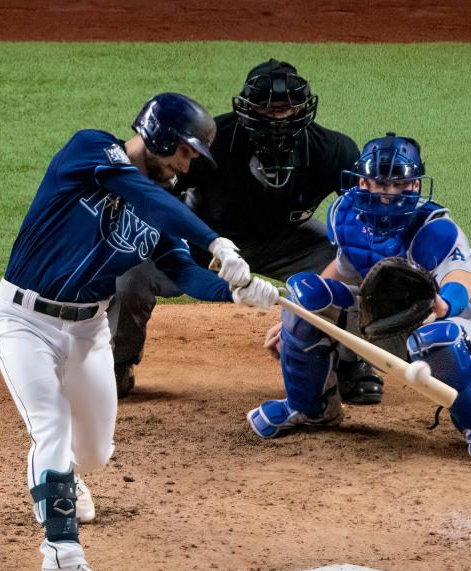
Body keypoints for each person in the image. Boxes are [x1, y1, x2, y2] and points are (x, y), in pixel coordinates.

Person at [0, 93, 278, 571]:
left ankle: (66, 478)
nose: (187, 166)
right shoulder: (90, 149)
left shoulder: (161, 203)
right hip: (24, 322)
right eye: (184, 153)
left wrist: (234, 290)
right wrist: (216, 241)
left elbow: (182, 270)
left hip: (88, 330)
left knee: (95, 453)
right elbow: (136, 191)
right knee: (51, 426)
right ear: (161, 135)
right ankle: (62, 562)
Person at [109, 59, 384, 405]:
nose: (277, 118)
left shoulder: (333, 150)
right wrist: (194, 243)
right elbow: (159, 198)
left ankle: (349, 362)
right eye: (267, 109)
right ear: (246, 109)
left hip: (288, 239)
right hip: (205, 239)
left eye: (286, 109)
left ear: (303, 108)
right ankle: (117, 361)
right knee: (133, 269)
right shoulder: (215, 142)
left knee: (356, 266)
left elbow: (366, 217)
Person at [248, 133, 471, 459]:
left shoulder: (433, 229)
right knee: (305, 295)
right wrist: (297, 320)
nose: (385, 193)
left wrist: (444, 304)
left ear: (413, 186)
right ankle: (310, 408)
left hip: (468, 331)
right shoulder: (350, 218)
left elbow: (460, 279)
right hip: (386, 328)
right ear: (362, 182)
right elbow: (342, 269)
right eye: (377, 183)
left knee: (438, 338)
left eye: (396, 185)